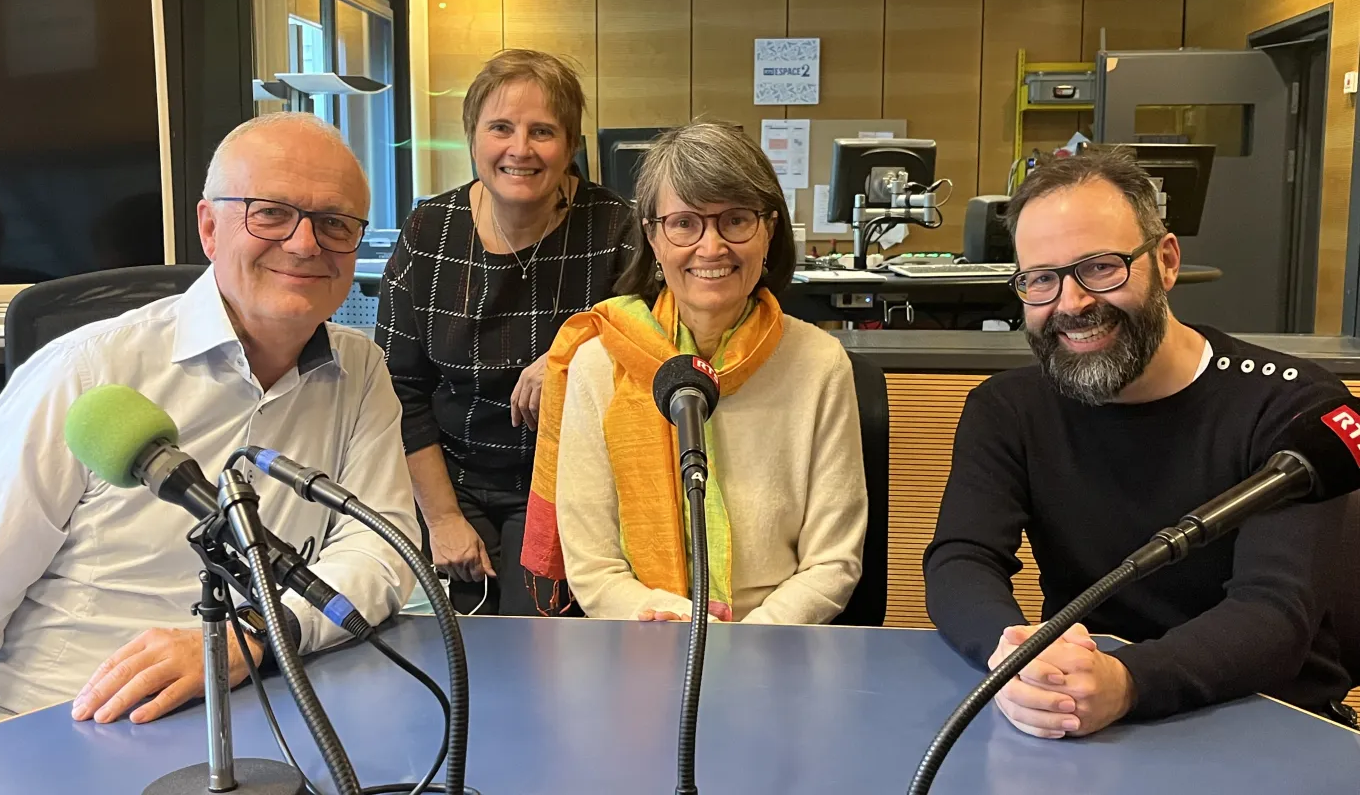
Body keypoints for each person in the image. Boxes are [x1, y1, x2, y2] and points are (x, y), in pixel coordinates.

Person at [0, 112, 418, 731]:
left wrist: (254, 635)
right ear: (208, 228)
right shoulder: (85, 372)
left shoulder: (359, 369)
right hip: (70, 724)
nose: (306, 244)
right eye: (270, 213)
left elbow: (382, 546)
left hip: (263, 710)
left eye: (335, 222)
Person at [924, 147, 1354, 739]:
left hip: (1267, 719)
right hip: (1083, 716)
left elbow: (1274, 611)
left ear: (1167, 261)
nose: (1071, 304)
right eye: (1041, 279)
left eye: (1101, 267)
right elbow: (961, 559)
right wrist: (1015, 657)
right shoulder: (1007, 409)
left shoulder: (1293, 407)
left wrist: (1127, 682)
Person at [522, 121, 867, 623]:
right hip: (645, 633)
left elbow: (832, 561)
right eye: (684, 223)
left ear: (769, 231)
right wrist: (667, 619)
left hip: (776, 640)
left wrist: (750, 639)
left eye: (736, 220)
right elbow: (594, 566)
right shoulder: (600, 363)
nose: (711, 247)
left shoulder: (819, 363)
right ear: (653, 237)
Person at [377, 49, 635, 616]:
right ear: (473, 138)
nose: (520, 149)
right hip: (446, 477)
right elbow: (400, 388)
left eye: (542, 131)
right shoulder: (429, 230)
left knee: (536, 638)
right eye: (500, 128)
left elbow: (650, 339)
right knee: (455, 639)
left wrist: (569, 351)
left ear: (571, 146)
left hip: (566, 483)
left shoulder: (616, 226)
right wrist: (443, 518)